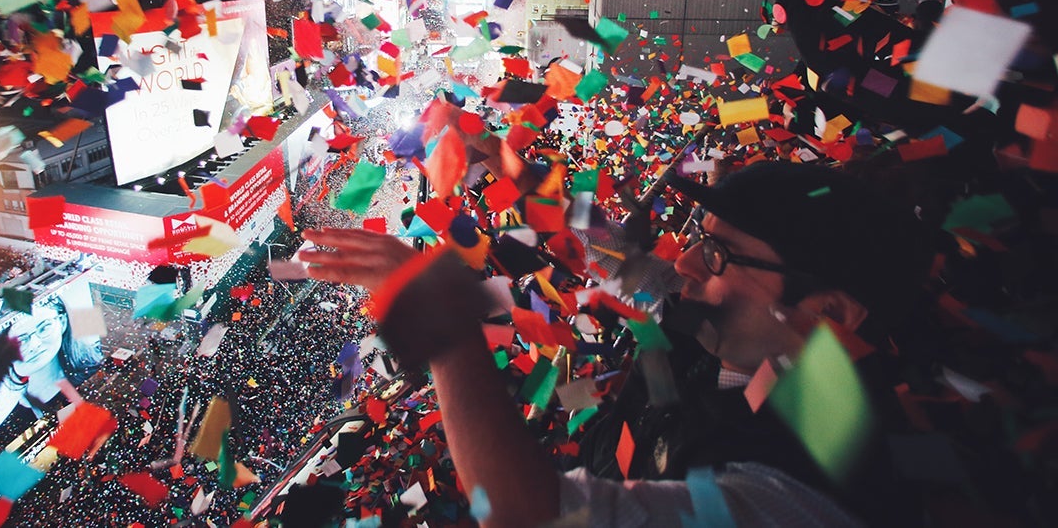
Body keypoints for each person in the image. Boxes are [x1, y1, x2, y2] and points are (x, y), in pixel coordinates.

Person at [302, 160, 935, 528]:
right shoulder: (730, 335)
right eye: (696, 236)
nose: (684, 263)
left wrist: (445, 331)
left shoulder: (808, 486)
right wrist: (515, 166)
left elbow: (529, 516)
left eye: (715, 254)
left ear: (826, 312)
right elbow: (626, 263)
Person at [0, 295, 103, 432]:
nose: (34, 345)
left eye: (44, 328)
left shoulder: (97, 372)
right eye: (21, 340)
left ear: (62, 322)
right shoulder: (7, 425)